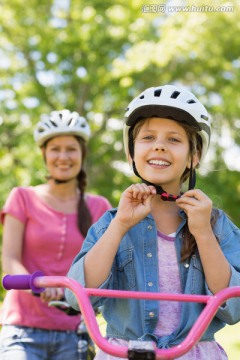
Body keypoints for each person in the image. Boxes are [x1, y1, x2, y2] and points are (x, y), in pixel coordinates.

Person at [65, 85, 240, 360]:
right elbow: (77, 298)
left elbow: (233, 307)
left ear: (193, 157)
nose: (159, 145)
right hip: (123, 353)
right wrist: (121, 225)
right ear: (131, 153)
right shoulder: (111, 223)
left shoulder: (214, 224)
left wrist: (203, 233)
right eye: (148, 137)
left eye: (174, 139)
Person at [0, 109, 112, 360]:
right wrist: (39, 285)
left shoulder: (99, 207)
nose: (63, 156)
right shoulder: (22, 197)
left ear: (82, 154)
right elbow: (9, 260)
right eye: (55, 149)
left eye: (71, 149)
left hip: (75, 331)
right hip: (22, 328)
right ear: (44, 154)